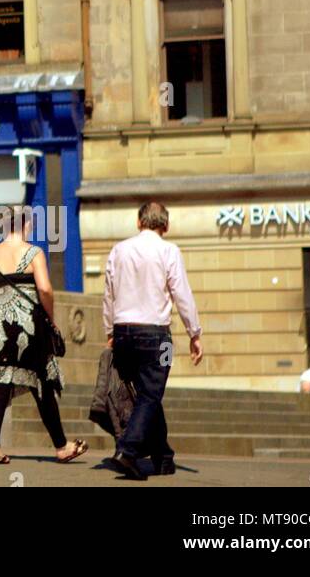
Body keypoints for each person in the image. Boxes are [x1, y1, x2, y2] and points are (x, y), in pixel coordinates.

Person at [0, 205, 87, 465]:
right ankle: (62, 446)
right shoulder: (34, 252)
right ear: (26, 224)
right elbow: (44, 288)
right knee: (41, 381)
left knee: (0, 383)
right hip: (26, 328)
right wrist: (51, 319)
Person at [102, 200, 202, 480]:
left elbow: (108, 293)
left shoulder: (118, 250)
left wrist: (109, 330)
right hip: (160, 338)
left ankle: (163, 457)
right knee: (152, 393)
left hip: (123, 334)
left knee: (148, 393)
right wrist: (195, 333)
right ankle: (128, 450)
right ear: (166, 226)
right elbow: (181, 293)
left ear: (138, 222)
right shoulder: (169, 250)